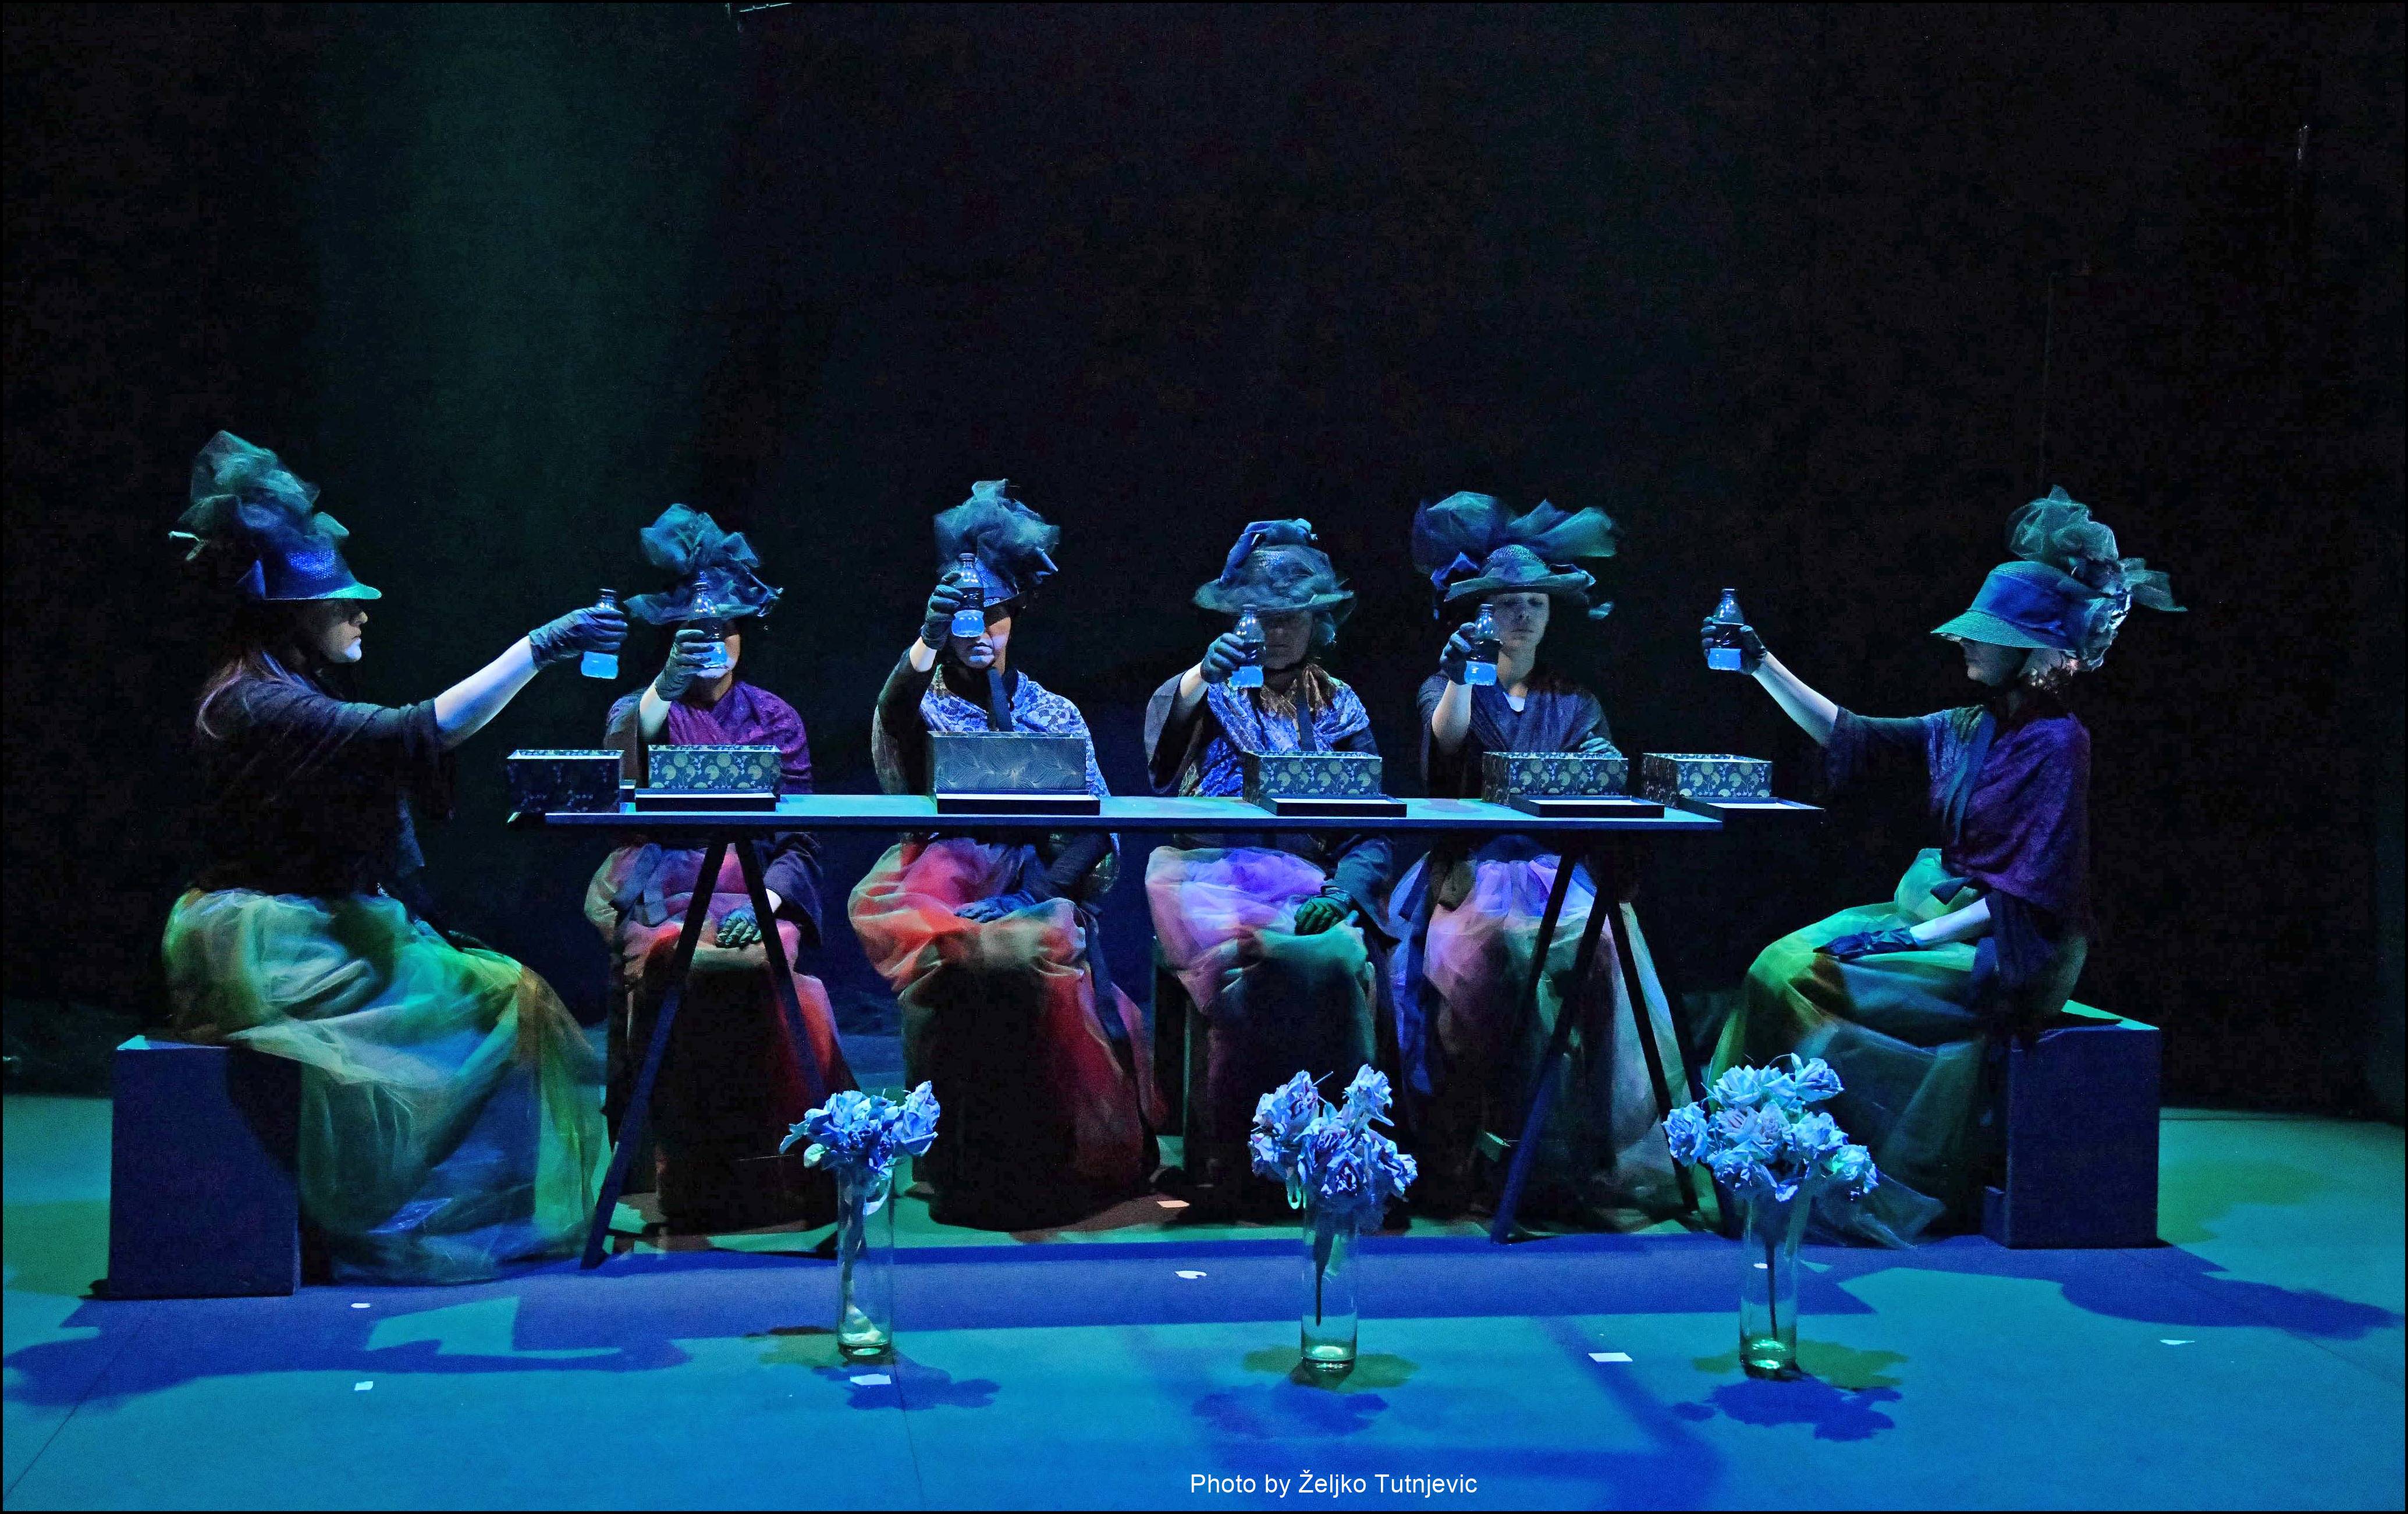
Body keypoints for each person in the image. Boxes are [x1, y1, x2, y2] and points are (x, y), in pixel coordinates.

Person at [161, 431, 624, 1283]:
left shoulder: (289, 688)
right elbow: (423, 730)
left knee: (507, 994)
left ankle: (478, 1207)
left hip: (322, 913)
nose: (360, 613)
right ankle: (415, 1215)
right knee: (502, 1003)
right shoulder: (257, 705)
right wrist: (540, 646)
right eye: (341, 602)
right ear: (293, 614)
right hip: (273, 938)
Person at [1708, 487, 2179, 1243]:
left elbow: (2027, 892)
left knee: (1810, 979)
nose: (1965, 643)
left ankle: (1825, 1170)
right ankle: (1760, 1160)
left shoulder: (2058, 743)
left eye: (1987, 634)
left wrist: (1910, 939)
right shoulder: (1966, 725)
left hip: (2012, 945)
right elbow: (1853, 734)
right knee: (1776, 961)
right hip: (1944, 912)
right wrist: (1761, 664)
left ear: (2032, 650)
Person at [848, 481, 1160, 1229]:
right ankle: (963, 1163)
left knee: (1027, 957)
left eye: (992, 613)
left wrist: (1037, 891)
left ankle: (1046, 1162)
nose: (978, 630)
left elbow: (1095, 819)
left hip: (1038, 879)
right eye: (965, 616)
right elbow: (894, 711)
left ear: (1015, 614)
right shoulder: (927, 701)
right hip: (943, 875)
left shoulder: (1054, 710)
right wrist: (925, 640)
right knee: (967, 959)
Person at [1391, 492, 1688, 1225]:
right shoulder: (1448, 683)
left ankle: (1577, 1154)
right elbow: (1445, 749)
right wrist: (1460, 677)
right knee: (1495, 958)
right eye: (1506, 603)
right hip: (1474, 868)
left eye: (1534, 603)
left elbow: (1601, 767)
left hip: (1558, 871)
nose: (1521, 615)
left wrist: (1601, 763)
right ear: (1483, 610)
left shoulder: (1573, 699)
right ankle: (1487, 1148)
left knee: (1603, 952)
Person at [584, 505, 854, 1233]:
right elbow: (618, 777)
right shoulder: (642, 709)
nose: (714, 643)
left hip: (756, 887)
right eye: (697, 631)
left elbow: (800, 835)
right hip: (665, 886)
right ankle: (685, 1169)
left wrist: (768, 901)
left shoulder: (775, 716)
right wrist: (662, 690)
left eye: (727, 628)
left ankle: (780, 1172)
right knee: (679, 965)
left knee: (759, 969)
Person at [1143, 520, 1394, 1203]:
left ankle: (1340, 1150)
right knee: (1260, 960)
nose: (1279, 629)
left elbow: (1370, 824)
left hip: (1314, 884)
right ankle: (1233, 1159)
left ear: (1318, 621)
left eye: (1294, 615)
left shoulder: (1340, 705)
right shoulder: (1209, 690)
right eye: (1265, 613)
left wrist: (1343, 891)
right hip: (1214, 877)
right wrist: (1203, 675)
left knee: (1335, 959)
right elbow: (1160, 761)